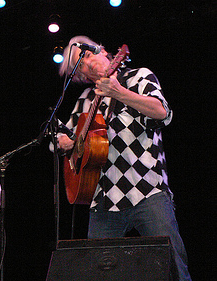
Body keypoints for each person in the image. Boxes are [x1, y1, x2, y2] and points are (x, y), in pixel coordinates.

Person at [53, 35, 191, 280]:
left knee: (173, 266)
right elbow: (62, 140)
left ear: (104, 52)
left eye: (87, 54)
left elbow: (162, 112)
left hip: (147, 190)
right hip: (102, 199)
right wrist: (65, 143)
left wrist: (119, 92)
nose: (87, 63)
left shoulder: (138, 76)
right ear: (81, 76)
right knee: (97, 273)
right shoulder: (85, 99)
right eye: (80, 64)